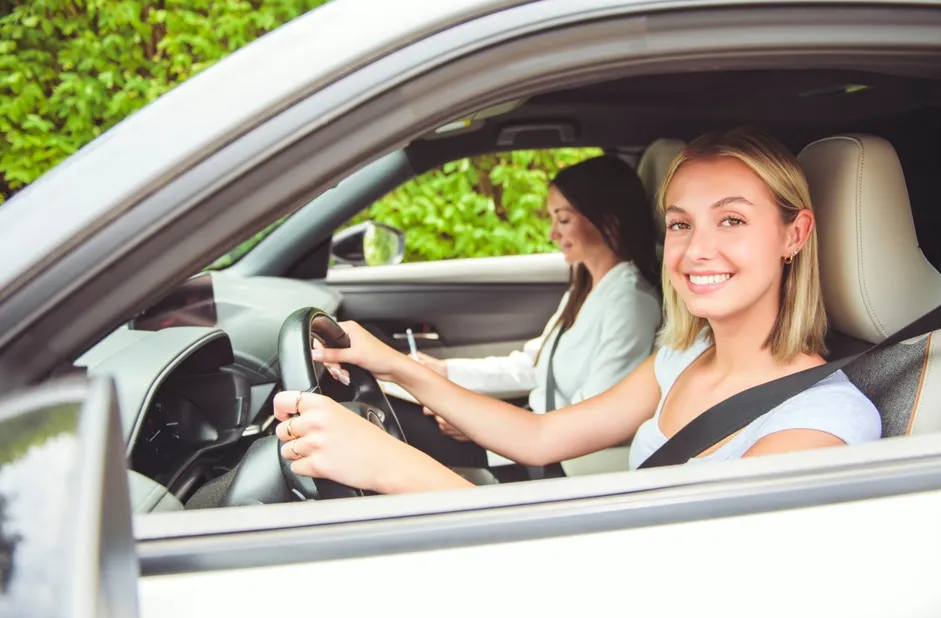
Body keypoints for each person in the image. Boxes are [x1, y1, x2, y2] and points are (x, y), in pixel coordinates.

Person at [274, 127, 882, 495]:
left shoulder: (817, 423)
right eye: (680, 224)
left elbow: (650, 586)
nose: (698, 250)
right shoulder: (687, 356)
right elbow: (541, 437)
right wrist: (393, 365)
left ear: (794, 234)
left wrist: (390, 467)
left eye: (731, 220)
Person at [407, 154, 662, 449]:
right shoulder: (586, 289)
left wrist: (488, 425)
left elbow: (595, 416)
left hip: (557, 453)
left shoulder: (631, 303)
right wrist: (445, 371)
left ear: (608, 219)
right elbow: (536, 364)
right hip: (535, 435)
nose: (552, 234)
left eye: (563, 219)